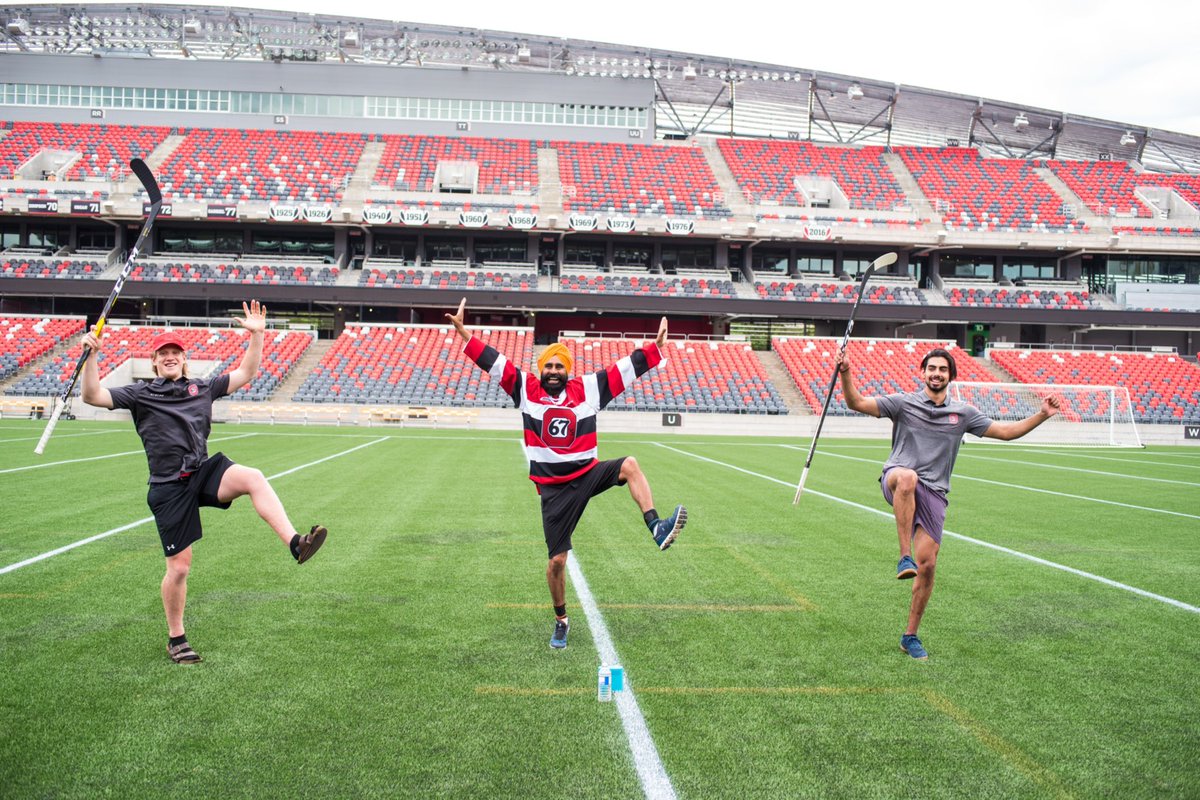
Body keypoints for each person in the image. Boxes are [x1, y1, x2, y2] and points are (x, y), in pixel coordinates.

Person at [80, 300, 327, 664]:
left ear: (184, 359)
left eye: (175, 353)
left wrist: (257, 336)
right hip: (168, 486)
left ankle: (295, 543)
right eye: (162, 354)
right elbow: (92, 396)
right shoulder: (140, 394)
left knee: (253, 477)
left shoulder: (202, 387)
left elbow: (246, 372)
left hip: (201, 472)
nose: (169, 357)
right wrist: (91, 356)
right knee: (180, 567)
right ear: (153, 362)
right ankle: (176, 638)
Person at [446, 298, 686, 649]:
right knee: (557, 561)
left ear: (568, 370)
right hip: (555, 490)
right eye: (549, 365)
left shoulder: (587, 389)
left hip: (587, 473)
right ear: (541, 369)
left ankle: (656, 526)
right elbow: (495, 363)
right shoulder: (526, 389)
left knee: (629, 465)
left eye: (560, 365)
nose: (554, 370)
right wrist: (465, 334)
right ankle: (561, 620)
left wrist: (655, 348)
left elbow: (624, 370)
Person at [836, 345, 1060, 660]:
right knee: (908, 478)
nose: (936, 374)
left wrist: (1042, 415)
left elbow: (1006, 432)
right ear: (922, 373)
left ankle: (910, 636)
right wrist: (846, 372)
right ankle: (903, 556)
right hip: (898, 478)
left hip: (935, 492)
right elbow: (856, 402)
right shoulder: (903, 403)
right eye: (932, 368)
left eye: (942, 369)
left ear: (950, 375)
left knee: (928, 565)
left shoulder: (963, 414)